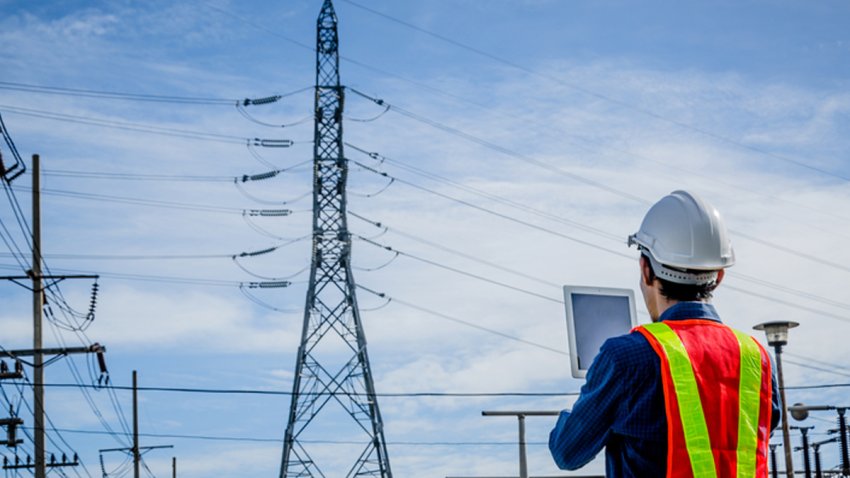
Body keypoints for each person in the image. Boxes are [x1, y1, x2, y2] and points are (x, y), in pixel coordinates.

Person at [549, 190, 781, 477]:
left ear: (646, 270)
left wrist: (594, 399)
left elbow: (567, 451)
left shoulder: (626, 358)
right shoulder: (757, 358)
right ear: (719, 276)